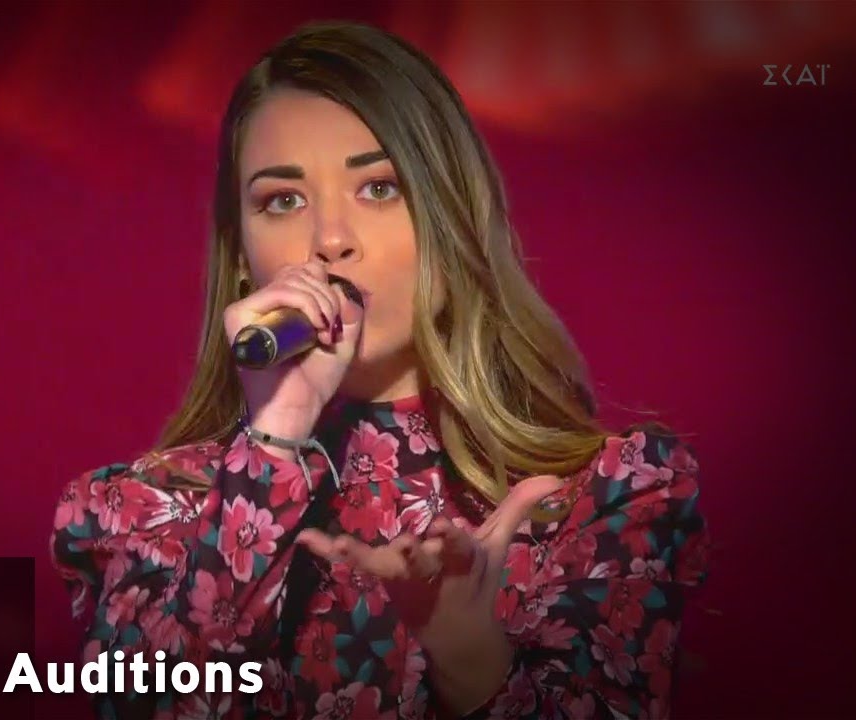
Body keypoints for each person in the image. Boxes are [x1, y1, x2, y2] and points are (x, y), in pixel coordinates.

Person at [51, 21, 708, 720]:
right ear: (243, 258)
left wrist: (469, 657)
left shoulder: (609, 497)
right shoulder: (143, 510)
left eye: (379, 187)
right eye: (283, 200)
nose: (330, 240)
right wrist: (274, 440)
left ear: (452, 219)